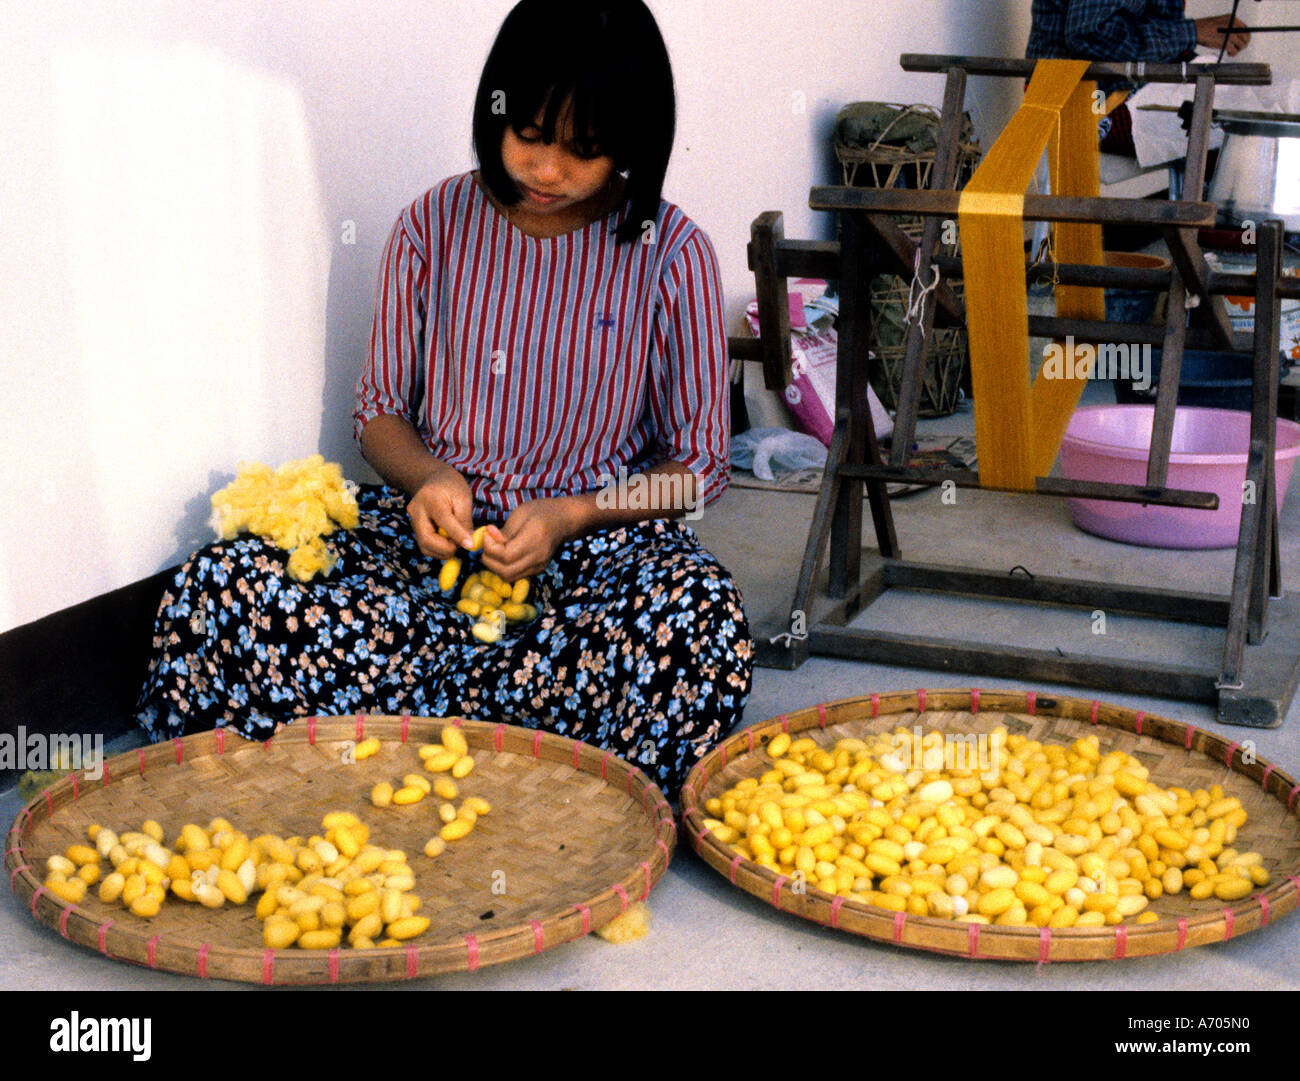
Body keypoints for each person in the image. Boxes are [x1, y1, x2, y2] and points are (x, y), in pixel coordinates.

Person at [135, 0, 753, 795]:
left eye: (584, 150)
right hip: (427, 555)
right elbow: (380, 413)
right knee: (224, 586)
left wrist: (575, 513)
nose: (547, 170)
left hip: (593, 560)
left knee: (697, 622)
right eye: (528, 135)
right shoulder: (433, 226)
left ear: (633, 141)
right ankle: (514, 748)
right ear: (494, 111)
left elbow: (697, 466)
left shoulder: (671, 253)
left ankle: (398, 740)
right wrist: (430, 479)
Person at [1026, 1, 1251, 153]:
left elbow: (1157, 33)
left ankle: (1205, 219)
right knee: (1239, 138)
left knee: (1252, 114)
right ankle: (1211, 221)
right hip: (1081, 98)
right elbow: (1091, 35)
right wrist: (1192, 32)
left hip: (1124, 85)